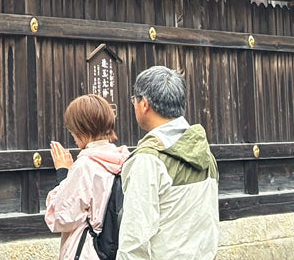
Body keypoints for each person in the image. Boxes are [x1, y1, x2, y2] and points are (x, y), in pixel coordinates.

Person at [118, 66, 220, 260]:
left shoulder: (148, 159)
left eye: (134, 100)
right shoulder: (205, 153)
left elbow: (134, 239)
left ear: (144, 104)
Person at [45, 93, 129, 260]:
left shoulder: (85, 166)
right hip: (117, 248)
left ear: (82, 129)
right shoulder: (124, 159)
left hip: (90, 251)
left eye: (72, 130)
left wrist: (63, 173)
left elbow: (61, 217)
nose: (73, 136)